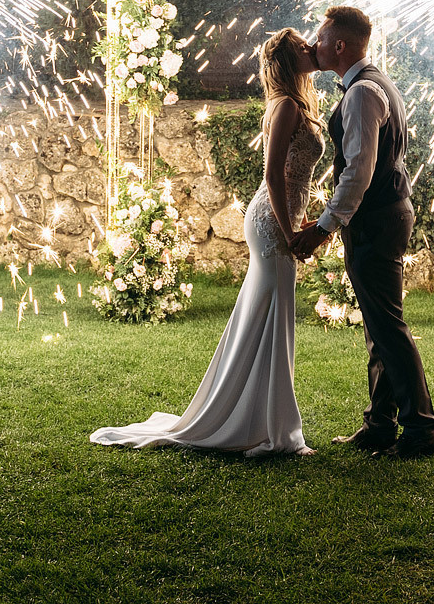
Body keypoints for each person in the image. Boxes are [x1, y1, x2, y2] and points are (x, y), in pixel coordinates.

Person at [90, 28, 323, 457]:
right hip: (273, 224)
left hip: (280, 218)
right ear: (290, 61)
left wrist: (300, 218)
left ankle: (263, 421)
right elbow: (274, 175)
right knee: (273, 323)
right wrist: (290, 230)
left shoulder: (292, 103)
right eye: (303, 47)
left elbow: (293, 176)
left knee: (270, 321)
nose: (312, 48)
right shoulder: (288, 105)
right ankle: (275, 431)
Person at [289, 5, 434, 459]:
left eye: (320, 39)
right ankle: (380, 425)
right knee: (379, 327)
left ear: (340, 45)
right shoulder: (375, 83)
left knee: (388, 328)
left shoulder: (360, 94)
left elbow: (358, 172)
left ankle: (420, 431)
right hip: (385, 214)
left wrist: (323, 225)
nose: (314, 46)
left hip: (377, 218)